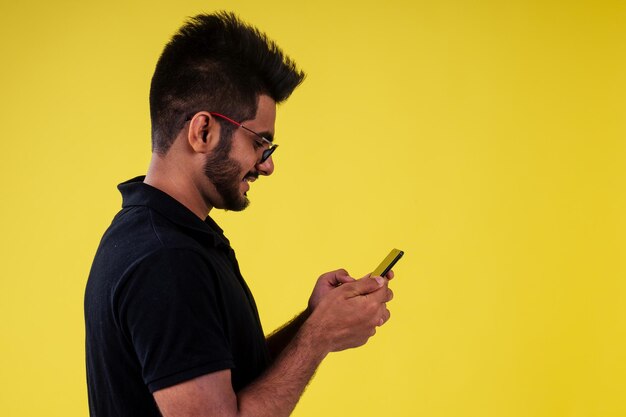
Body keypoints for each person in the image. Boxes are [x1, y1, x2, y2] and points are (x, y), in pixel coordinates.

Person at [84, 11, 394, 417]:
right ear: (203, 132)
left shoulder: (170, 236)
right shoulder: (166, 261)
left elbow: (220, 382)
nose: (266, 165)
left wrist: (313, 321)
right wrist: (318, 337)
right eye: (259, 143)